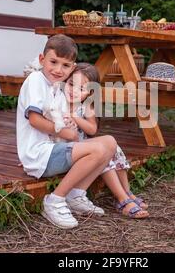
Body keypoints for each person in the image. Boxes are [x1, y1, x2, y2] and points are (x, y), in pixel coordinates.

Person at [16, 34, 117, 229]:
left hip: (54, 149)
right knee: (95, 150)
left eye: (65, 65)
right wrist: (67, 133)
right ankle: (54, 200)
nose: (58, 69)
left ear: (73, 67)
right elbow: (35, 120)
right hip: (40, 155)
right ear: (41, 59)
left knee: (109, 142)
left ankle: (76, 195)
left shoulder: (56, 86)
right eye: (53, 62)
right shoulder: (36, 80)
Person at [63, 62, 149, 219]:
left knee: (113, 148)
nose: (74, 91)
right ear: (65, 80)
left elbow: (92, 129)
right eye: (71, 84)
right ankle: (122, 199)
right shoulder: (58, 102)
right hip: (72, 151)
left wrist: (75, 117)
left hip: (83, 148)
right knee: (103, 153)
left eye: (81, 89)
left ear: (89, 94)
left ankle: (127, 192)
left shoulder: (85, 107)